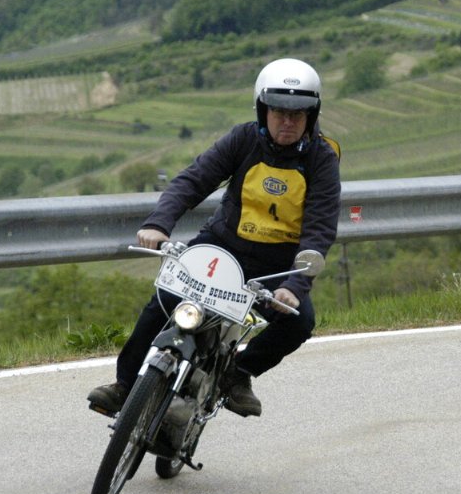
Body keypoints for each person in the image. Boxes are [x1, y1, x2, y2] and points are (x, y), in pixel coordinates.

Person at [88, 58, 341, 418]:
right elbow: (193, 180)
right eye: (278, 111)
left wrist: (295, 286)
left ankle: (237, 373)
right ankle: (125, 386)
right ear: (262, 109)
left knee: (299, 323)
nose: (287, 121)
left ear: (311, 115)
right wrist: (159, 223)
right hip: (222, 247)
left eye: (297, 114)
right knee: (164, 298)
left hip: (276, 266)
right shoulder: (243, 139)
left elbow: (320, 226)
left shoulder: (322, 159)